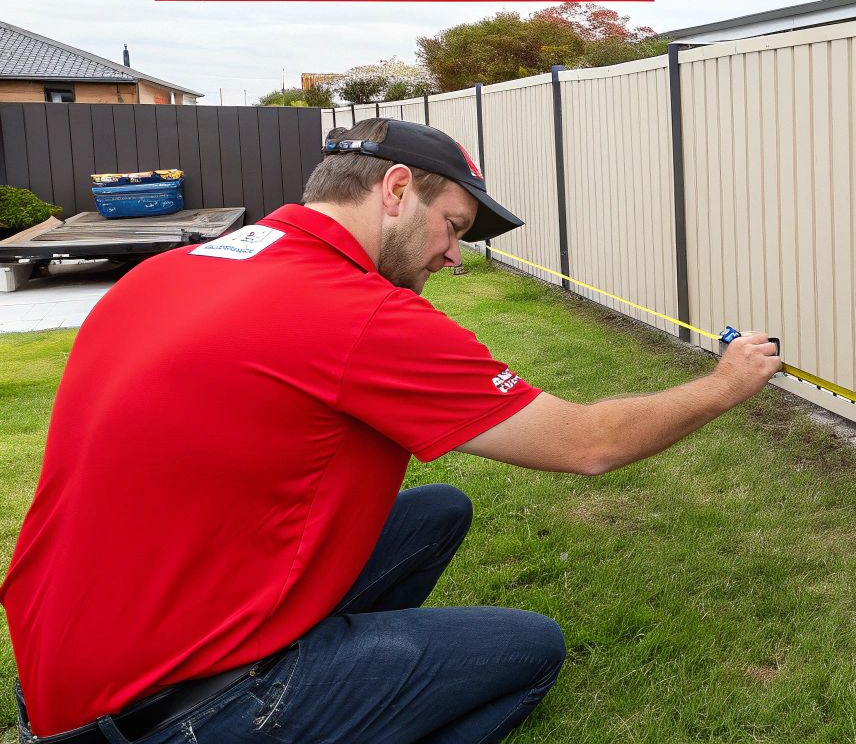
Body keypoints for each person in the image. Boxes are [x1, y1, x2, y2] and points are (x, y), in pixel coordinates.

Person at [1, 117, 781, 743]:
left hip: (61, 670)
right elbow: (588, 444)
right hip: (166, 710)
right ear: (397, 189)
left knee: (438, 511)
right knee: (529, 650)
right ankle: (275, 701)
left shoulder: (182, 269)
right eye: (453, 227)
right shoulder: (357, 313)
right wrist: (724, 385)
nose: (454, 257)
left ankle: (319, 669)